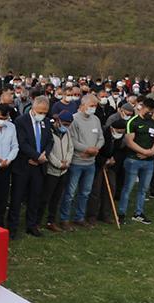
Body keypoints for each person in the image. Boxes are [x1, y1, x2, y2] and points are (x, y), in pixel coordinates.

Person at [8, 96, 53, 238]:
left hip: (39, 167)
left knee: (35, 197)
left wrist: (44, 154)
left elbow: (50, 140)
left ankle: (31, 225)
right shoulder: (21, 121)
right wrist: (35, 156)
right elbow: (22, 143)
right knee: (17, 197)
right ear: (33, 108)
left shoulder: (46, 122)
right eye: (40, 111)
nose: (42, 114)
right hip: (23, 165)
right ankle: (13, 227)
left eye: (45, 112)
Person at [58, 95, 104, 230]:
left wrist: (96, 149)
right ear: (83, 105)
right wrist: (86, 149)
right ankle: (64, 218)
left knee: (85, 192)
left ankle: (79, 217)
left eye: (95, 106)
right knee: (70, 192)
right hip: (77, 162)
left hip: (91, 163)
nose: (93, 108)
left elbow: (101, 137)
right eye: (91, 105)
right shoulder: (75, 119)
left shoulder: (96, 119)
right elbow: (71, 139)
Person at [117, 98, 154, 224]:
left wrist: (151, 151)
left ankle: (139, 212)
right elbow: (129, 141)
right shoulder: (133, 121)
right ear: (142, 108)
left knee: (143, 189)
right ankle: (121, 213)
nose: (150, 113)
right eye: (148, 110)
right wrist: (144, 151)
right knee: (128, 188)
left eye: (152, 111)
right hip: (133, 160)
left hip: (149, 162)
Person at [38, 111, 74, 232]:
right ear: (58, 121)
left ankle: (51, 221)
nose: (66, 126)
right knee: (45, 197)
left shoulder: (67, 133)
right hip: (51, 170)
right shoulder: (49, 132)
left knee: (56, 197)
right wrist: (59, 164)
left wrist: (67, 162)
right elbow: (48, 151)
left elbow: (70, 148)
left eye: (68, 124)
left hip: (63, 171)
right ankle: (37, 221)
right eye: (64, 123)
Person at [86, 119, 125, 225]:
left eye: (122, 132)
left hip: (111, 165)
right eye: (119, 131)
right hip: (98, 164)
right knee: (96, 190)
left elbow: (119, 150)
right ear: (112, 129)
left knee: (111, 188)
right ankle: (91, 215)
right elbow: (96, 150)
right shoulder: (103, 134)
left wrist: (113, 160)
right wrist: (104, 161)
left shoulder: (120, 137)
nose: (120, 134)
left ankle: (105, 214)